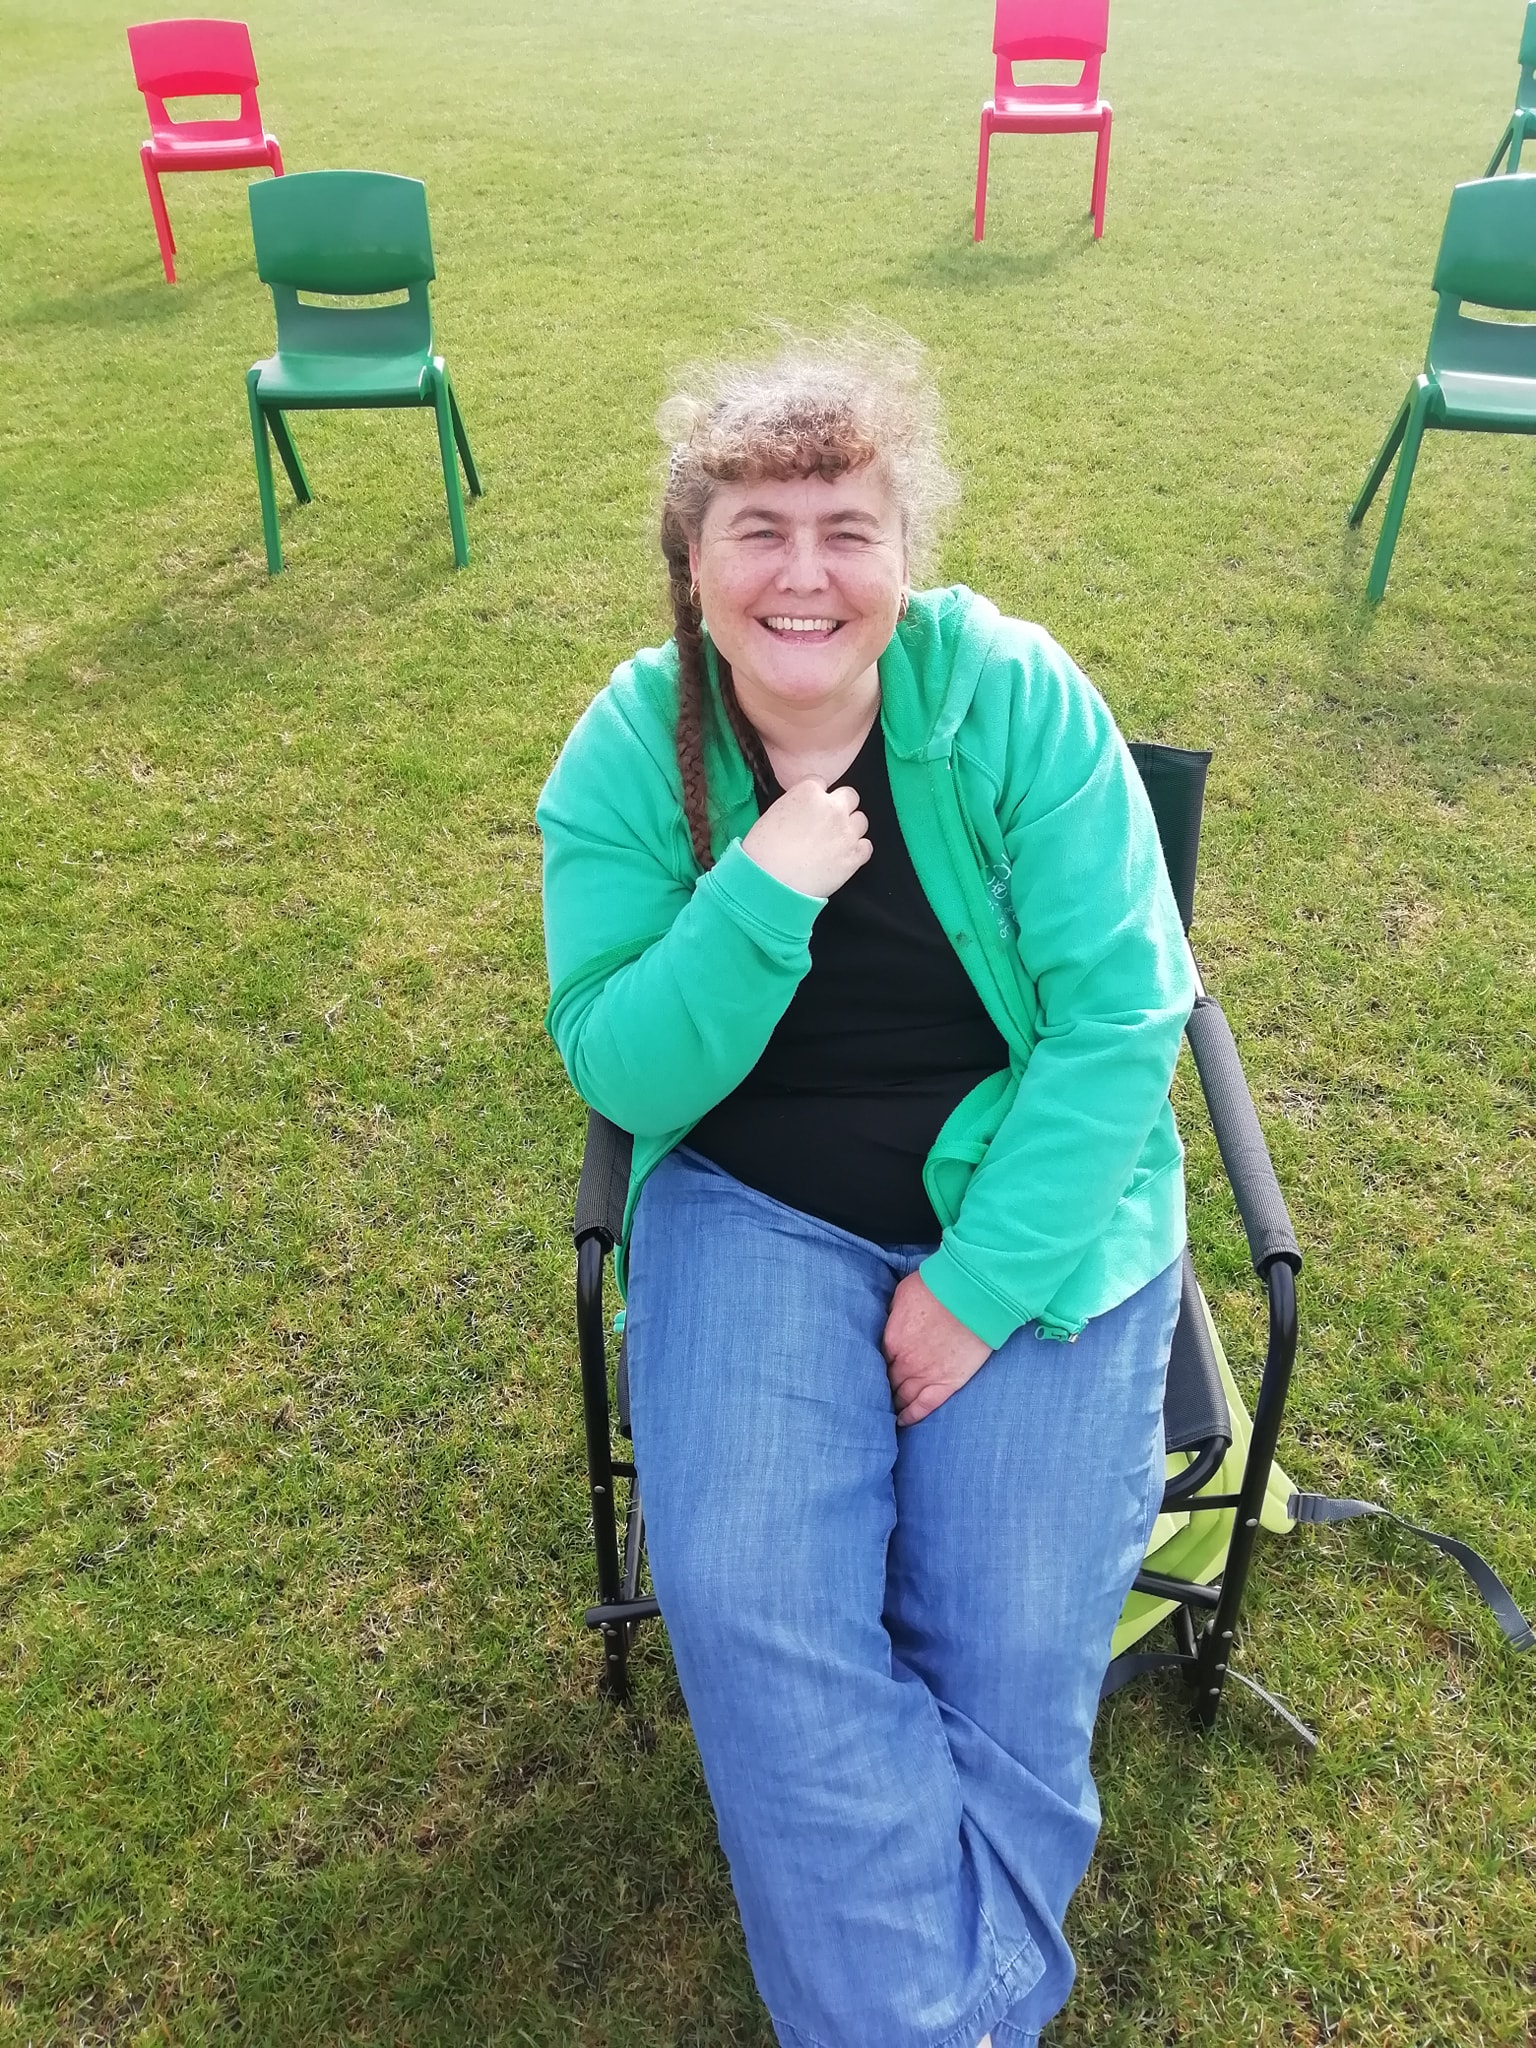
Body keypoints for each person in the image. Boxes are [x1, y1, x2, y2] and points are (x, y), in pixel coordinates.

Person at [538, 328, 1197, 2048]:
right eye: (757, 529)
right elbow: (621, 1067)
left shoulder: (1015, 696)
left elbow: (1126, 1015)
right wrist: (761, 891)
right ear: (693, 567)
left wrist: (978, 1288)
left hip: (1034, 1207)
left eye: (848, 527)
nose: (804, 573)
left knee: (1012, 1637)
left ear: (906, 553)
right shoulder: (632, 748)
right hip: (754, 1201)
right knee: (757, 1609)